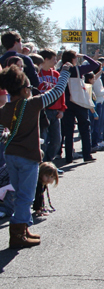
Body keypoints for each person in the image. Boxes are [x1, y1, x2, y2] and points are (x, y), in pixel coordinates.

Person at [0, 62, 71, 248]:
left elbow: (1, 132)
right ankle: (17, 232)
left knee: (18, 193)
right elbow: (57, 91)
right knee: (26, 196)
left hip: (11, 156)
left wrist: (7, 137)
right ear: (24, 89)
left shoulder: (4, 110)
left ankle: (24, 228)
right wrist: (65, 72)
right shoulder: (32, 104)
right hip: (28, 157)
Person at [61, 51, 100, 164]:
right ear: (73, 59)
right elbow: (95, 65)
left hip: (67, 102)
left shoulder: (61, 70)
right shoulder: (78, 69)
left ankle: (68, 156)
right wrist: (84, 56)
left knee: (68, 130)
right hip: (79, 101)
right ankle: (86, 154)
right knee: (84, 128)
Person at [37, 49, 66, 162]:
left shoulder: (56, 74)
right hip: (43, 111)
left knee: (56, 140)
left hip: (55, 111)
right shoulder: (37, 74)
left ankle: (49, 162)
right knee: (43, 140)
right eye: (54, 59)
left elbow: (61, 92)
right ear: (46, 60)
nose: (56, 61)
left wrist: (62, 108)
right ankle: (42, 164)